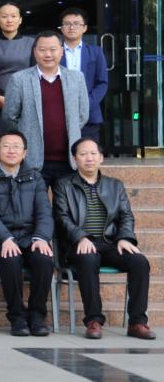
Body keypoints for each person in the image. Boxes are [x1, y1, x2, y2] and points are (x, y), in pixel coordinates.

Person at [52, 138, 155, 340]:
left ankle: (137, 322)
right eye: (83, 154)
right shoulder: (63, 185)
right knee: (88, 259)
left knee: (140, 262)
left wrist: (124, 238)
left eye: (93, 154)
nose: (89, 158)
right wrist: (80, 237)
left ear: (101, 158)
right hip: (78, 245)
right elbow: (61, 217)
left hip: (109, 243)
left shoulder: (115, 185)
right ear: (74, 159)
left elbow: (126, 215)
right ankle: (94, 320)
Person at [0, 130, 55, 337]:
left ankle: (37, 316)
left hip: (30, 238)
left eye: (16, 146)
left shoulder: (36, 178)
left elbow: (44, 212)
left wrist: (41, 237)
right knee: (10, 259)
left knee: (44, 259)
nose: (11, 151)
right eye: (6, 146)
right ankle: (17, 316)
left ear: (25, 153)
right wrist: (5, 238)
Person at [3, 30, 89, 187]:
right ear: (35, 52)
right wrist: (27, 133)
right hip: (32, 160)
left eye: (53, 49)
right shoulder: (19, 79)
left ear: (62, 51)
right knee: (32, 203)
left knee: (67, 203)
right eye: (42, 50)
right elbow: (9, 117)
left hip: (68, 160)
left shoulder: (76, 78)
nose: (48, 54)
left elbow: (82, 115)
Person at [59, 7, 108, 139]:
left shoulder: (96, 52)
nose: (71, 27)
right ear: (61, 28)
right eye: (67, 24)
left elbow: (102, 83)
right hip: (59, 114)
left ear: (84, 28)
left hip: (90, 115)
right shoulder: (54, 52)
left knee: (88, 150)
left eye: (76, 23)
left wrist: (87, 103)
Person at [0, 2, 35, 108]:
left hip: (27, 96)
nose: (9, 20)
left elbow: (35, 73)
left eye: (13, 16)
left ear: (20, 20)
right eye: (4, 16)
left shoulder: (31, 43)